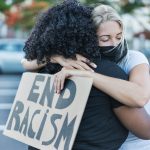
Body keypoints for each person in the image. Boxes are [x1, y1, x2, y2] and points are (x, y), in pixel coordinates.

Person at [23, 1, 150, 150]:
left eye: (119, 36)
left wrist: (85, 74)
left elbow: (140, 97)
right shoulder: (77, 64)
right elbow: (26, 62)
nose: (114, 44)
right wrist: (56, 57)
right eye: (104, 39)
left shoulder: (131, 59)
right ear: (87, 35)